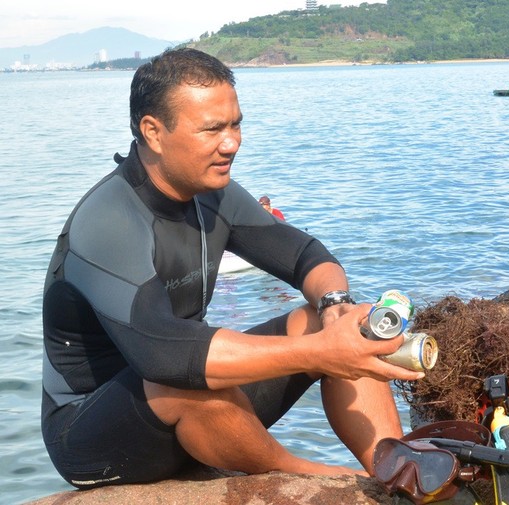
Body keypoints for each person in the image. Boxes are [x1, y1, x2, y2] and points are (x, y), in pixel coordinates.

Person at [41, 47, 423, 489]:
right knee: (183, 381)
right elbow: (161, 354)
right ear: (153, 132)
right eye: (212, 129)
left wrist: (336, 310)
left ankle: (401, 471)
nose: (232, 142)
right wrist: (321, 352)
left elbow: (306, 256)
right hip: (92, 433)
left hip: (190, 397)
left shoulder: (212, 193)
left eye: (236, 123)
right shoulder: (108, 219)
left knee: (330, 320)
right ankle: (307, 473)